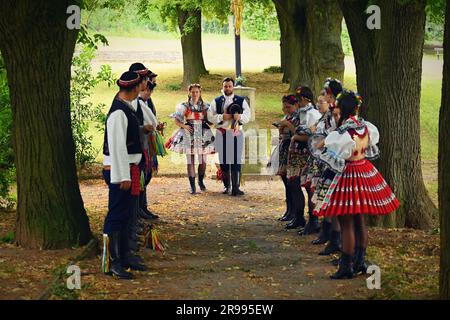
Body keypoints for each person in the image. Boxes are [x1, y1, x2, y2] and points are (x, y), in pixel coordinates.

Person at [315, 90, 400, 279]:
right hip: (364, 171)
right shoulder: (365, 126)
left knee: (346, 222)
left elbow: (333, 153)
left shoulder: (343, 131)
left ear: (342, 108)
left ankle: (347, 266)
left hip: (349, 174)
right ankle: (360, 260)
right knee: (359, 220)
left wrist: (323, 145)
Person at [101, 71, 148, 280]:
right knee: (116, 216)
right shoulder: (118, 113)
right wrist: (123, 177)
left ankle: (125, 255)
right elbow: (117, 148)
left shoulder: (126, 108)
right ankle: (112, 262)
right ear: (135, 88)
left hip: (130, 168)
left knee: (128, 215)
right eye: (141, 84)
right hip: (120, 171)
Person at [166, 84, 215, 194]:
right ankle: (192, 186)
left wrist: (211, 121)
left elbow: (210, 121)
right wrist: (184, 126)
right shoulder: (184, 106)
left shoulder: (206, 106)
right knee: (190, 161)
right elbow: (177, 120)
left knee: (202, 161)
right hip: (189, 133)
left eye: (197, 92)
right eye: (193, 92)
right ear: (189, 93)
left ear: (200, 92)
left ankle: (200, 181)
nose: (195, 94)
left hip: (203, 133)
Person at [285, 86, 322, 232]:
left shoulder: (312, 114)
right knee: (293, 183)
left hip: (306, 152)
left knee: (308, 186)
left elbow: (310, 135)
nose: (298, 102)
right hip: (297, 152)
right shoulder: (301, 113)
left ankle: (313, 219)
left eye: (299, 99)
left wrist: (295, 136)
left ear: (306, 99)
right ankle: (298, 216)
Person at [208, 77, 251, 196]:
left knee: (236, 159)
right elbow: (210, 116)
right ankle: (227, 186)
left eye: (229, 86)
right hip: (222, 132)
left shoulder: (241, 100)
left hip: (236, 132)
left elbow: (247, 115)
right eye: (225, 86)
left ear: (233, 87)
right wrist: (222, 117)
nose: (227, 88)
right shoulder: (216, 101)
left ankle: (236, 187)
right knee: (224, 160)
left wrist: (239, 117)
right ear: (222, 87)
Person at [129, 63, 160, 220]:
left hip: (147, 145)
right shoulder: (132, 101)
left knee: (145, 176)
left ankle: (142, 207)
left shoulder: (145, 101)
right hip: (137, 148)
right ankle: (137, 211)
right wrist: (143, 128)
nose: (148, 82)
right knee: (138, 179)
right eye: (146, 79)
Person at [273, 95, 300, 222]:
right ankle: (289, 210)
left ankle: (295, 212)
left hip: (293, 150)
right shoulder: (287, 118)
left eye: (288, 107)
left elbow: (297, 133)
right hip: (284, 150)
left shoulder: (297, 118)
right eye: (284, 107)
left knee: (292, 183)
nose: (285, 110)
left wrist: (287, 124)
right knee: (286, 183)